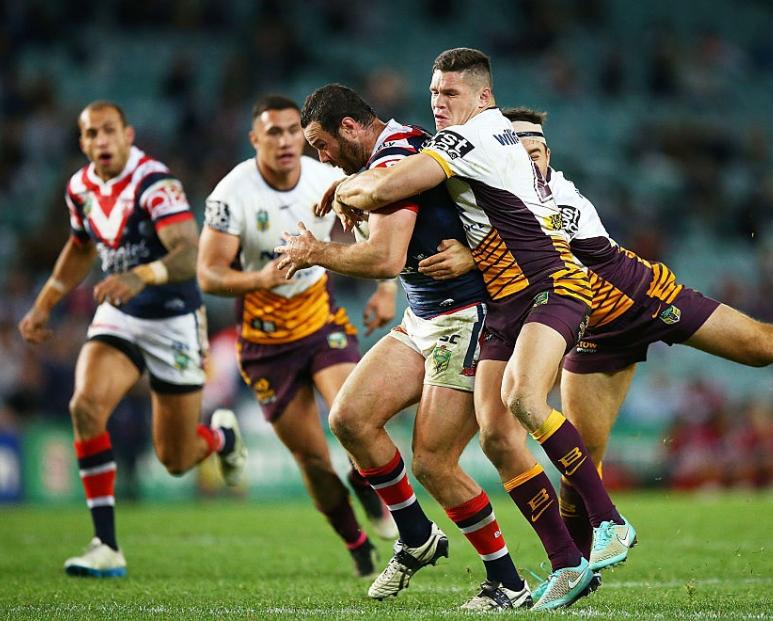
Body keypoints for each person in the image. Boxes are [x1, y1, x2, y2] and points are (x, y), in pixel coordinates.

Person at [422, 107, 773, 580]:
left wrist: (474, 255)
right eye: (518, 149)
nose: (529, 157)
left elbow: (544, 244)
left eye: (536, 148)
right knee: (580, 464)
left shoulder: (558, 193)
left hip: (646, 298)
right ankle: (575, 574)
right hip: (592, 331)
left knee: (765, 347)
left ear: (546, 153)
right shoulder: (490, 203)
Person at [311, 48, 633, 610]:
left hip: (515, 296)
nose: (438, 104)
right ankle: (546, 560)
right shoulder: (457, 139)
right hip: (470, 306)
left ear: (484, 97)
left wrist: (341, 201)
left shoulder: (464, 139)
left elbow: (390, 200)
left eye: (449, 93)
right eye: (434, 93)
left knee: (499, 421)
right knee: (391, 423)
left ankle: (596, 529)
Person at [273, 83, 531, 610]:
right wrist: (347, 185)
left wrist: (315, 251)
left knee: (434, 461)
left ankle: (508, 583)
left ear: (350, 128)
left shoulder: (398, 159)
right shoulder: (387, 155)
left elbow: (385, 258)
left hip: (466, 316)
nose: (321, 158)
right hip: (425, 316)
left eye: (322, 145)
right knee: (349, 418)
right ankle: (416, 535)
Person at [18, 100, 246, 578]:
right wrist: (45, 302)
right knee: (85, 407)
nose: (101, 141)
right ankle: (106, 544)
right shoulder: (79, 188)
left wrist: (142, 275)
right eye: (91, 134)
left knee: (177, 459)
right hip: (120, 313)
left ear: (128, 134)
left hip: (174, 319)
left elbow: (190, 253)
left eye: (109, 131)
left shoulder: (155, 183)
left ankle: (222, 436)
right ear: (82, 143)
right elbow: (80, 247)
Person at [197, 95, 397, 578]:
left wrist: (387, 289)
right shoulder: (232, 194)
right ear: (255, 140)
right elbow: (208, 274)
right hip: (266, 344)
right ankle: (355, 544)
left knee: (353, 418)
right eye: (274, 132)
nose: (286, 141)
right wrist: (258, 281)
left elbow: (381, 231)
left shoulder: (327, 178)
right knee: (311, 458)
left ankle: (366, 482)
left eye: (293, 131)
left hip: (322, 322)